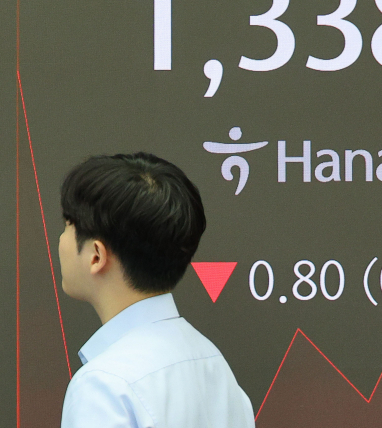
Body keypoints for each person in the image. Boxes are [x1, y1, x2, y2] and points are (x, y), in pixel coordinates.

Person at [57, 152, 254, 428]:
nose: (61, 239)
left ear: (96, 256)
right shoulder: (214, 365)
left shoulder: (104, 385)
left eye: (68, 224)